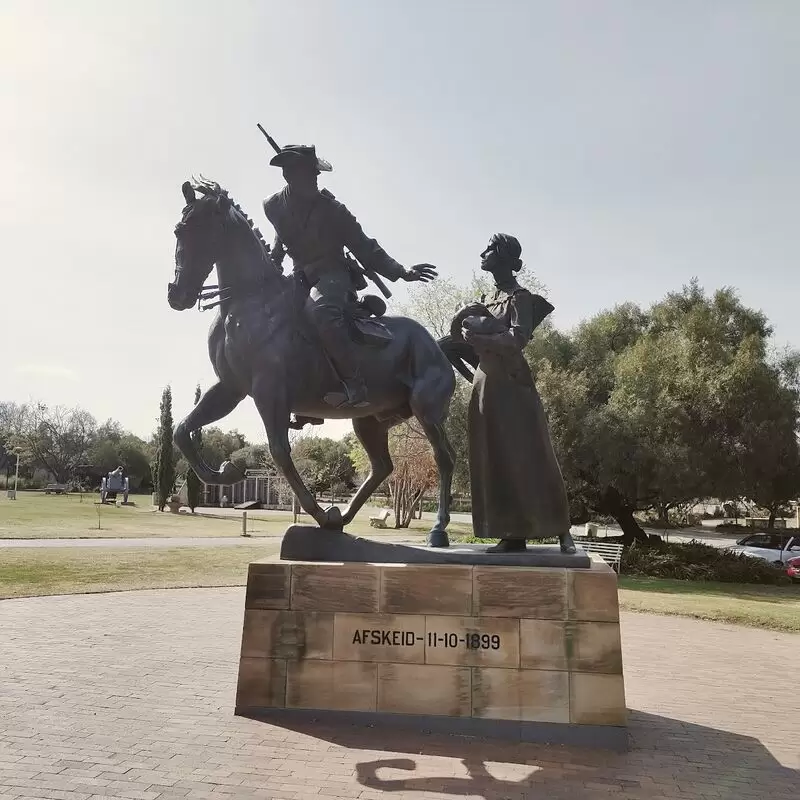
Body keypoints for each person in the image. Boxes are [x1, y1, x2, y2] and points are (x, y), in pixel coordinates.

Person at [263, 144, 436, 408]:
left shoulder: (333, 210)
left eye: (316, 174)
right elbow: (281, 238)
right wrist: (272, 266)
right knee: (275, 320)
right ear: (289, 175)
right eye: (311, 174)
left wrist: (402, 272)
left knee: (323, 315)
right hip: (300, 277)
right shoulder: (273, 206)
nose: (316, 179)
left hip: (333, 275)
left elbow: (366, 247)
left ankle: (356, 385)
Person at [452, 233, 576, 554]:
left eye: (490, 249)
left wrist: (480, 338)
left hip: (512, 382)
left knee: (531, 454)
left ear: (506, 259)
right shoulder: (485, 299)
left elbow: (518, 339)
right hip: (485, 382)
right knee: (492, 457)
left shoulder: (520, 297)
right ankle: (511, 532)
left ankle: (562, 528)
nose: (483, 253)